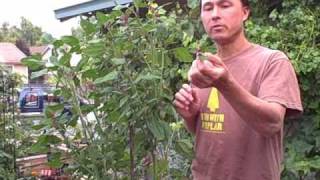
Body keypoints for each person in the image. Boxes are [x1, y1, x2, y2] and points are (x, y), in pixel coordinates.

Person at [173, 0, 303, 179]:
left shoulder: (272, 61)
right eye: (208, 8)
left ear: (245, 12)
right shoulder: (203, 67)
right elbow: (209, 131)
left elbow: (271, 124)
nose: (215, 14)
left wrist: (225, 84)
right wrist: (190, 115)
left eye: (225, 5)